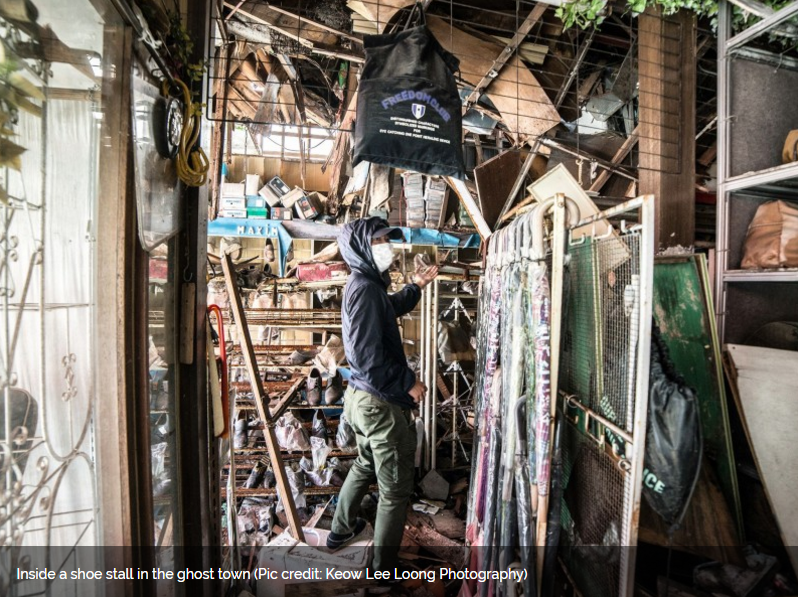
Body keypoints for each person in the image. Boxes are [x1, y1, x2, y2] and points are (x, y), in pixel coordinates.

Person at [326, 217, 438, 574]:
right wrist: (407, 382)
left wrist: (416, 286)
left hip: (362, 399)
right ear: (361, 246)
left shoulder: (367, 286)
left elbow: (389, 310)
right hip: (378, 403)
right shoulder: (364, 290)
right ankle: (384, 570)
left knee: (365, 463)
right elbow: (366, 358)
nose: (387, 246)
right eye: (379, 240)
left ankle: (341, 530)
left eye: (388, 239)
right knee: (394, 490)